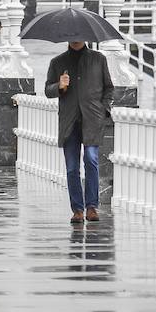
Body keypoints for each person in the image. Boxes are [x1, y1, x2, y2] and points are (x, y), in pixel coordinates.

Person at [43, 41, 113, 223]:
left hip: (92, 119)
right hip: (69, 121)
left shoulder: (98, 59)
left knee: (91, 160)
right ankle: (77, 210)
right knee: (72, 168)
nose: (76, 38)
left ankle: (92, 207)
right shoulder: (57, 62)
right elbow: (47, 90)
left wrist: (103, 110)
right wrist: (59, 85)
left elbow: (109, 88)